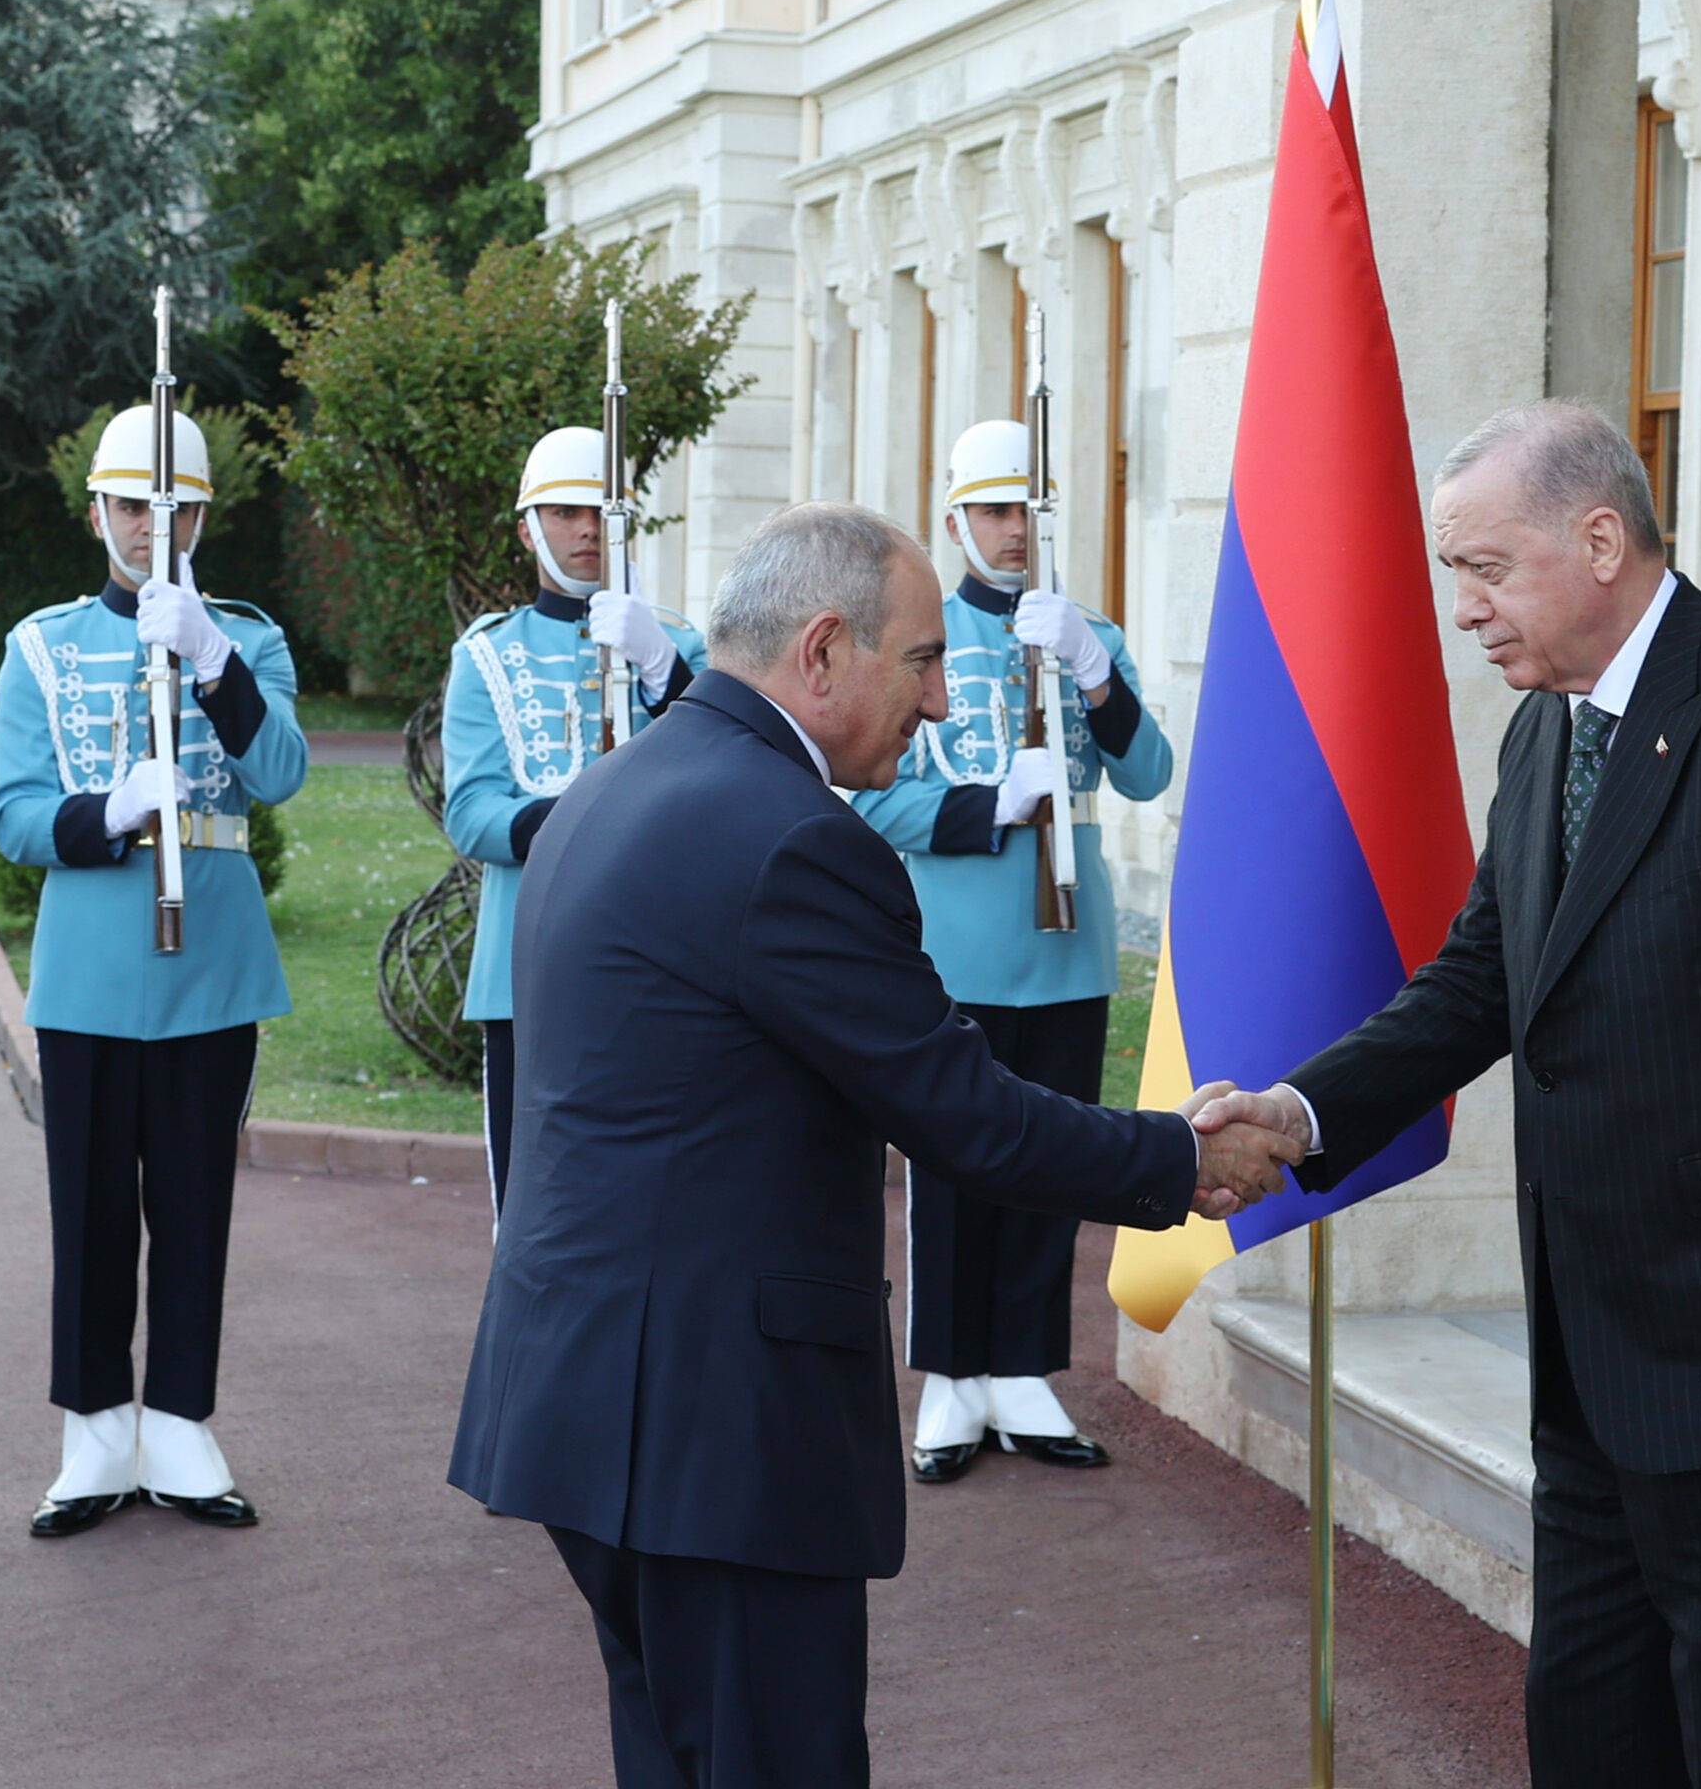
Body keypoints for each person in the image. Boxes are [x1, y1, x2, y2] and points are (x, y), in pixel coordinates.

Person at [447, 501, 1302, 1789]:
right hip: (713, 1427)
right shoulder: (794, 836)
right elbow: (964, 1112)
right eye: (923, 660)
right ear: (823, 650)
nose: (941, 698)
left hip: (586, 1399)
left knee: (673, 1752)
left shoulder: (616, 786)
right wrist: (1181, 1160)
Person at [1198, 401, 1701, 1789]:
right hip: (1593, 1372)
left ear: (1601, 540)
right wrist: (1298, 1118)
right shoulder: (1545, 731)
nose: (1465, 611)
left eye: (1485, 569)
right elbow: (1479, 981)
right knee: (1592, 1735)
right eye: (1454, 576)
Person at [0, 402, 309, 1539]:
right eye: (131, 505)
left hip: (210, 966)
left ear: (203, 516)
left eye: (172, 507)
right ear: (97, 514)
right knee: (88, 1212)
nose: (150, 526)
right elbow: (15, 814)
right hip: (90, 965)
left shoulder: (251, 639)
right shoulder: (41, 644)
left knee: (193, 1205)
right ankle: (93, 1430)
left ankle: (179, 1422)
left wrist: (215, 659)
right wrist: (109, 811)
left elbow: (280, 773)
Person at [849, 420, 1175, 1480]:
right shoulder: (917, 637)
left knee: (1055, 1156)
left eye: (1027, 509)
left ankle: (1023, 1368)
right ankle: (952, 1374)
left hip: (1067, 946)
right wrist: (988, 804)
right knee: (952, 1165)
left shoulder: (1090, 631)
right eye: (992, 511)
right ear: (954, 521)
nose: (1013, 530)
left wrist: (1094, 672)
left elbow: (1147, 774)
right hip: (958, 944)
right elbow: (873, 798)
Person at [439, 425, 706, 1214]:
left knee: (652, 1205)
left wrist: (662, 670)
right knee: (531, 1210)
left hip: (660, 963)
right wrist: (583, 820)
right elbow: (472, 813)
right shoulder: (486, 654)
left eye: (601, 511)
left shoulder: (680, 647)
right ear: (528, 530)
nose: (586, 529)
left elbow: (725, 774)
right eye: (563, 512)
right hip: (528, 966)